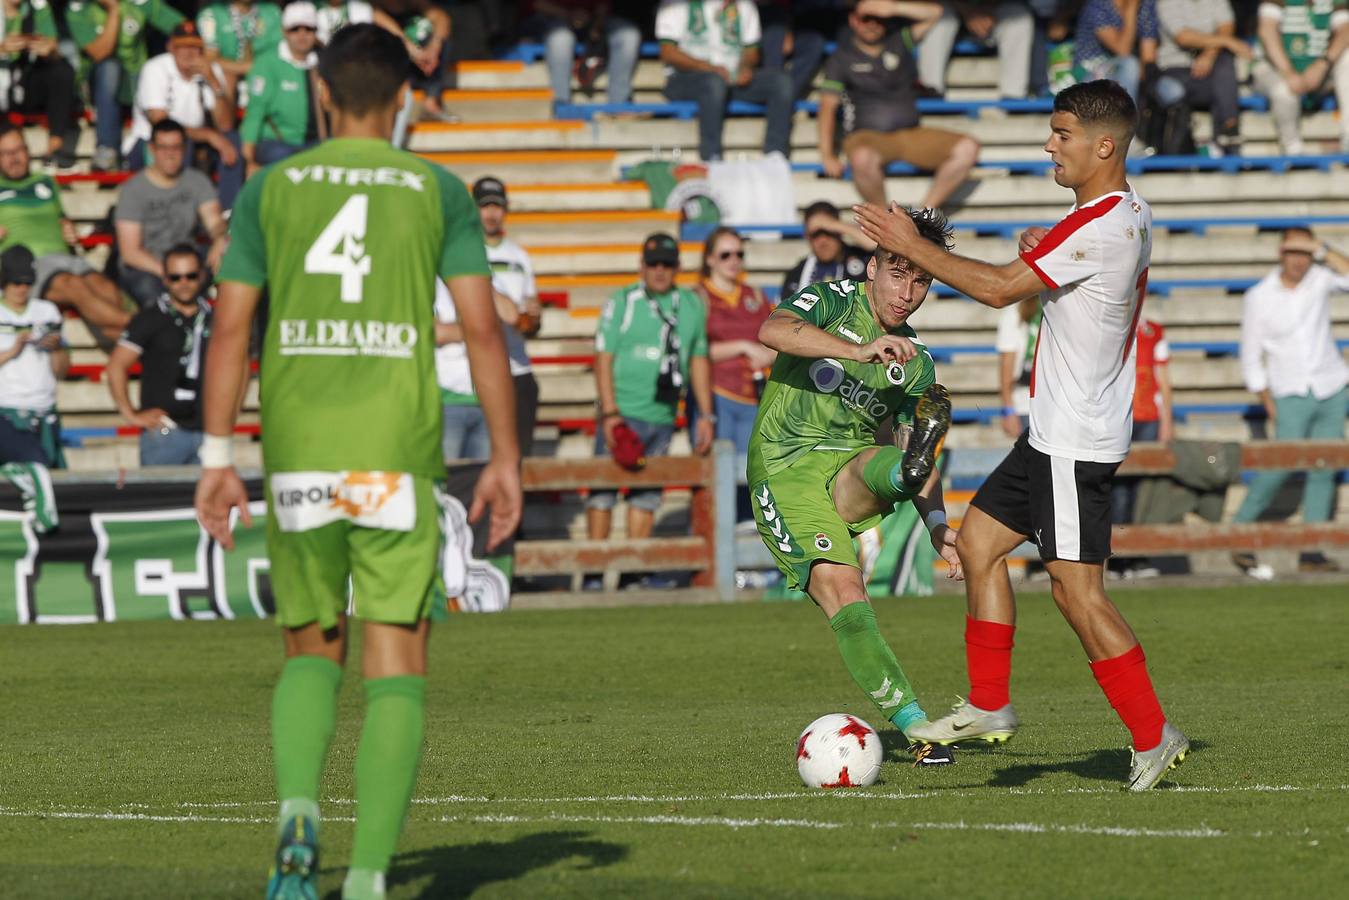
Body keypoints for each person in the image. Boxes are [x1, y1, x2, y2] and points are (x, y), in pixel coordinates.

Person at [195, 23, 522, 900]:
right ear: (407, 97)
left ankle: (299, 812)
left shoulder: (270, 187)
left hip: (299, 446)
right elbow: (483, 329)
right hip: (396, 452)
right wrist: (504, 458)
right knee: (396, 663)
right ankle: (371, 878)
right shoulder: (438, 190)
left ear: (322, 95)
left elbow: (232, 328)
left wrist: (217, 456)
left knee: (310, 647)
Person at [856, 80, 1189, 790]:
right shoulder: (1126, 211)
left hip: (1074, 439)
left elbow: (998, 289)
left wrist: (909, 243)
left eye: (1061, 134)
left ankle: (1153, 734)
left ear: (1103, 145)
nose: (1049, 145)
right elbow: (1077, 274)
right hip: (1053, 432)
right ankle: (988, 702)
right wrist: (1046, 258)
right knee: (977, 544)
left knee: (1077, 594)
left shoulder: (1093, 226)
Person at [749, 206, 959, 766]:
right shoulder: (833, 301)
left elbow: (917, 444)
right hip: (785, 466)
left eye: (920, 280)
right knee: (847, 592)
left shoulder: (915, 364)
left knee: (901, 455)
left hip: (850, 467)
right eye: (897, 272)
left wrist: (938, 526)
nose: (907, 291)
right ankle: (920, 728)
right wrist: (856, 349)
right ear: (872, 267)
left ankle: (903, 473)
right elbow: (771, 329)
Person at [586, 233, 715, 590]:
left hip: (662, 416)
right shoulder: (623, 301)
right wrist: (610, 413)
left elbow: (699, 358)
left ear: (677, 268)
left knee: (646, 496)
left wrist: (705, 413)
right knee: (602, 491)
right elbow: (604, 356)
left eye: (667, 264)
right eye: (654, 263)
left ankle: (632, 571)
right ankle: (595, 572)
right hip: (622, 412)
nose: (660, 271)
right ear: (642, 266)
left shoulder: (689, 304)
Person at [1231, 227, 1349, 576]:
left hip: (1331, 386)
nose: (1299, 260)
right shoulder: (1260, 296)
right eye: (1292, 251)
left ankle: (1310, 551)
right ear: (1280, 253)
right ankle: (1237, 535)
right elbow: (1250, 354)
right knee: (1278, 466)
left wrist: (1322, 248)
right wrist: (1266, 398)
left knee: (1324, 468)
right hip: (1289, 392)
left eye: (1304, 252)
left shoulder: (1320, 278)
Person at [819, 1, 982, 210]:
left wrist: (892, 7)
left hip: (910, 133)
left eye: (878, 19)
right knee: (861, 158)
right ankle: (887, 218)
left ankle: (924, 214)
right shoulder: (840, 59)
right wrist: (826, 154)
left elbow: (937, 13)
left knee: (968, 148)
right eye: (866, 18)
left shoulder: (899, 42)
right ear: (853, 20)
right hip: (866, 136)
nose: (872, 24)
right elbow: (827, 107)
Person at [0, 124, 130, 341]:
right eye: (5, 153)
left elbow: (61, 217)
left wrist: (66, 225)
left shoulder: (46, 182)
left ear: (28, 150)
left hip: (64, 257)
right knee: (75, 285)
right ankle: (149, 327)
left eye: (18, 150)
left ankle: (141, 341)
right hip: (31, 265)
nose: (14, 158)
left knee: (107, 289)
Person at [105, 245, 212, 467]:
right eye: (175, 277)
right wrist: (131, 414)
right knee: (163, 500)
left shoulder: (215, 318)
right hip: (164, 432)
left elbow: (238, 367)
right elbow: (116, 366)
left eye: (191, 276)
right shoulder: (150, 318)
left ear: (202, 276)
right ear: (164, 279)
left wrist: (231, 412)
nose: (183, 283)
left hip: (209, 431)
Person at [125, 22, 244, 211]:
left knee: (232, 140)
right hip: (148, 143)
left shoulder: (210, 71)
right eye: (182, 46)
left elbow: (226, 125)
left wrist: (213, 82)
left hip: (192, 141)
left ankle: (229, 213)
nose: (188, 53)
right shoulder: (155, 68)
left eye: (194, 47)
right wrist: (210, 136)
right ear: (171, 47)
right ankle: (180, 213)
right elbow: (161, 123)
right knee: (179, 144)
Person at [657, 0, 795, 161]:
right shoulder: (676, 4)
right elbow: (668, 52)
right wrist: (708, 68)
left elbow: (752, 51)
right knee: (713, 83)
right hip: (685, 79)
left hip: (730, 78)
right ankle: (711, 157)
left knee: (781, 81)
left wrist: (745, 67)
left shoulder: (745, 6)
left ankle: (775, 156)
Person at [114, 119, 229, 310]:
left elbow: (215, 221)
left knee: (231, 262)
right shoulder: (133, 190)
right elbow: (130, 252)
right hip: (146, 267)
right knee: (157, 301)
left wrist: (219, 239)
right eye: (163, 148)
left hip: (187, 259)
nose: (170, 154)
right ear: (152, 149)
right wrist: (172, 273)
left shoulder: (197, 181)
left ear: (184, 149)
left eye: (176, 147)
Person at [66, 0, 186, 172]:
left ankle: (161, 144)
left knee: (153, 72)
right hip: (96, 87)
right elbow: (101, 52)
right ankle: (107, 148)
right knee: (110, 68)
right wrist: (114, 10)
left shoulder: (140, 3)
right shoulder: (79, 8)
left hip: (135, 81)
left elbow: (183, 29)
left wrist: (176, 49)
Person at [472, 176, 542, 457]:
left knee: (518, 457)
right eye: (485, 206)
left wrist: (532, 319)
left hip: (517, 368)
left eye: (497, 206)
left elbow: (528, 320)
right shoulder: (463, 253)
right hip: (477, 369)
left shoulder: (519, 257)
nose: (491, 214)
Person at [695, 226, 774, 461]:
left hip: (755, 396)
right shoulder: (698, 297)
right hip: (718, 395)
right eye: (725, 255)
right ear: (710, 259)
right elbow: (695, 353)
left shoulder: (755, 295)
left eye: (739, 254)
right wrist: (742, 346)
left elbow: (775, 338)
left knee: (749, 475)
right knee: (718, 474)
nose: (734, 260)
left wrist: (768, 355)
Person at [1109, 315, 1171, 578]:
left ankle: (1137, 555)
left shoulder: (1153, 330)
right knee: (1120, 488)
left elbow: (1163, 377)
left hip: (1148, 417)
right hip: (1119, 415)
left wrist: (1166, 419)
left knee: (1144, 490)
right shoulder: (1112, 321)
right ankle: (1117, 557)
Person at [1153, 0, 1250, 156]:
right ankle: (1229, 130)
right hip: (1175, 69)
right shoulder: (1167, 2)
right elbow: (1183, 37)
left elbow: (1226, 26)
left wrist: (1209, 56)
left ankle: (1227, 132)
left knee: (1224, 67)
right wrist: (1226, 41)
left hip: (1210, 71)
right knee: (1223, 84)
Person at [0, 244, 67, 471]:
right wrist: (12, 351)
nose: (22, 289)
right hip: (6, 414)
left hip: (45, 411)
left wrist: (56, 349)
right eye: (16, 283)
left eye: (28, 283)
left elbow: (62, 370)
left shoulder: (47, 311)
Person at [1252, 0, 1349, 155]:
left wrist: (1322, 65)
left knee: (1348, 58)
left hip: (1319, 70)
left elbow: (1345, 30)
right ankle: (1292, 148)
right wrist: (1288, 73)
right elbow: (1267, 31)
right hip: (1275, 68)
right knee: (1283, 91)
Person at [242, 1, 326, 173]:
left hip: (314, 142)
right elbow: (255, 111)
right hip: (276, 143)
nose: (302, 35)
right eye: (295, 29)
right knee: (287, 162)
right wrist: (249, 156)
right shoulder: (267, 63)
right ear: (284, 32)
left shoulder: (323, 63)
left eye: (308, 29)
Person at [0, 0, 80, 168]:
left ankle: (55, 150)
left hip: (26, 84)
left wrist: (49, 51)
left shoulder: (38, 6)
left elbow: (53, 47)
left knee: (62, 69)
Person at [520, 1, 642, 106]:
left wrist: (597, 24)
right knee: (561, 38)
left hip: (591, 19)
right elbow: (535, 4)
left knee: (628, 35)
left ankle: (619, 104)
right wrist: (569, 15)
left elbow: (602, 5)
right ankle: (561, 104)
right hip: (549, 18)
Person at [918, 0, 1035, 99]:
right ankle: (931, 92)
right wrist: (967, 11)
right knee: (939, 20)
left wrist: (986, 9)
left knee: (1020, 17)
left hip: (992, 8)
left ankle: (1012, 97)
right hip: (951, 7)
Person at [781, 200, 874, 298]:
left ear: (839, 232)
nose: (823, 241)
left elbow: (876, 244)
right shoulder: (798, 272)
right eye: (815, 235)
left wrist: (834, 225)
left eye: (829, 232)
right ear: (807, 237)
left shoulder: (863, 260)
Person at [197, 0, 285, 103]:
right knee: (228, 78)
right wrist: (248, 67)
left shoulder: (272, 12)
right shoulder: (210, 14)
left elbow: (280, 54)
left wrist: (257, 68)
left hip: (265, 74)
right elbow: (210, 59)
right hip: (227, 77)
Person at [1071, 0, 1160, 101]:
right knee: (1129, 64)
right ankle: (1126, 115)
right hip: (1089, 70)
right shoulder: (1097, 5)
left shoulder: (1146, 5)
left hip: (1126, 72)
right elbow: (1123, 50)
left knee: (1165, 88)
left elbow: (1148, 57)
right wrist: (1131, 9)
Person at [994, 296, 1038, 439]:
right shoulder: (1014, 311)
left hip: (1057, 405)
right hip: (1025, 404)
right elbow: (1007, 364)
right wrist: (1009, 410)